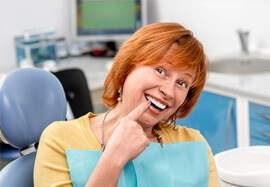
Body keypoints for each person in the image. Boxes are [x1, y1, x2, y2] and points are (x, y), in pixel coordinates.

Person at [34, 22, 220, 187]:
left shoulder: (195, 145)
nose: (169, 91)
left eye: (182, 83)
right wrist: (114, 157)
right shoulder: (59, 139)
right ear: (126, 69)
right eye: (161, 70)